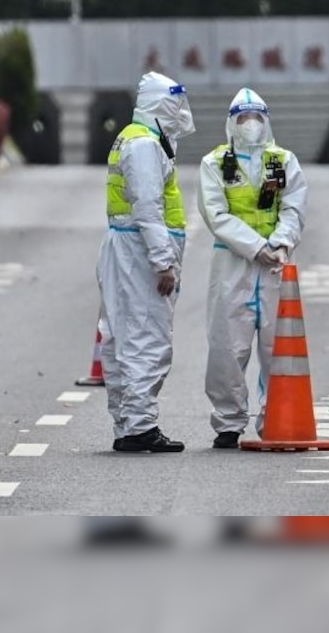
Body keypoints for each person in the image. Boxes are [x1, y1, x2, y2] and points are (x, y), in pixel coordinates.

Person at [197, 88, 307, 449]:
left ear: (266, 120)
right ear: (232, 122)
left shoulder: (284, 160)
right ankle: (228, 422)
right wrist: (255, 246)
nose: (250, 125)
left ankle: (275, 417)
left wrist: (279, 243)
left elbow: (294, 207)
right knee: (227, 345)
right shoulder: (215, 163)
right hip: (232, 264)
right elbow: (216, 214)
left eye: (256, 118)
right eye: (243, 118)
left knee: (278, 346)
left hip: (274, 266)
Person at [98, 71, 195, 453]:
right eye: (173, 103)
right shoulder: (143, 146)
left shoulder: (138, 137)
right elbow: (148, 207)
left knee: (124, 334)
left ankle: (127, 423)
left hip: (127, 246)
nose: (179, 111)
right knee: (146, 337)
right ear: (158, 103)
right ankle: (139, 425)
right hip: (139, 250)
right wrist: (163, 262)